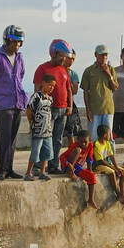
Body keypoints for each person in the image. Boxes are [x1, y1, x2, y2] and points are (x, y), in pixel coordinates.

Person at [0, 24, 27, 179]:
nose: (16, 45)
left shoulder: (20, 57)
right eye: (13, 42)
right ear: (7, 41)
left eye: (19, 43)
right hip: (4, 104)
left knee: (13, 138)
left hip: (18, 102)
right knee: (4, 138)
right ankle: (1, 170)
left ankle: (10, 168)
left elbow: (21, 76)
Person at [34, 40, 74, 175]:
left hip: (63, 109)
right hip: (48, 110)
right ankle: (39, 165)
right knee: (45, 138)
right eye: (62, 56)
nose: (64, 59)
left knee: (57, 139)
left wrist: (70, 106)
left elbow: (68, 89)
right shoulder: (42, 69)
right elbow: (37, 90)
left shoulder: (64, 69)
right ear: (55, 53)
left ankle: (53, 165)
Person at [80, 45, 119, 142]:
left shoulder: (111, 69)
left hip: (108, 109)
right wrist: (88, 110)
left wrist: (109, 74)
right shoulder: (88, 71)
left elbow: (114, 88)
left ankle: (109, 157)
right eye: (102, 55)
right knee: (93, 137)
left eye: (106, 55)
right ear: (95, 55)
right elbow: (85, 92)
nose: (104, 57)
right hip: (94, 110)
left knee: (109, 137)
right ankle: (93, 157)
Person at [25, 73, 56, 180]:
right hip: (38, 130)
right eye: (50, 85)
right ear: (43, 83)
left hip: (48, 130)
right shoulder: (36, 96)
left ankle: (42, 172)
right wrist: (31, 124)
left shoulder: (50, 99)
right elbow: (29, 110)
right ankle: (28, 173)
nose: (51, 88)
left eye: (53, 86)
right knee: (35, 151)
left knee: (47, 152)